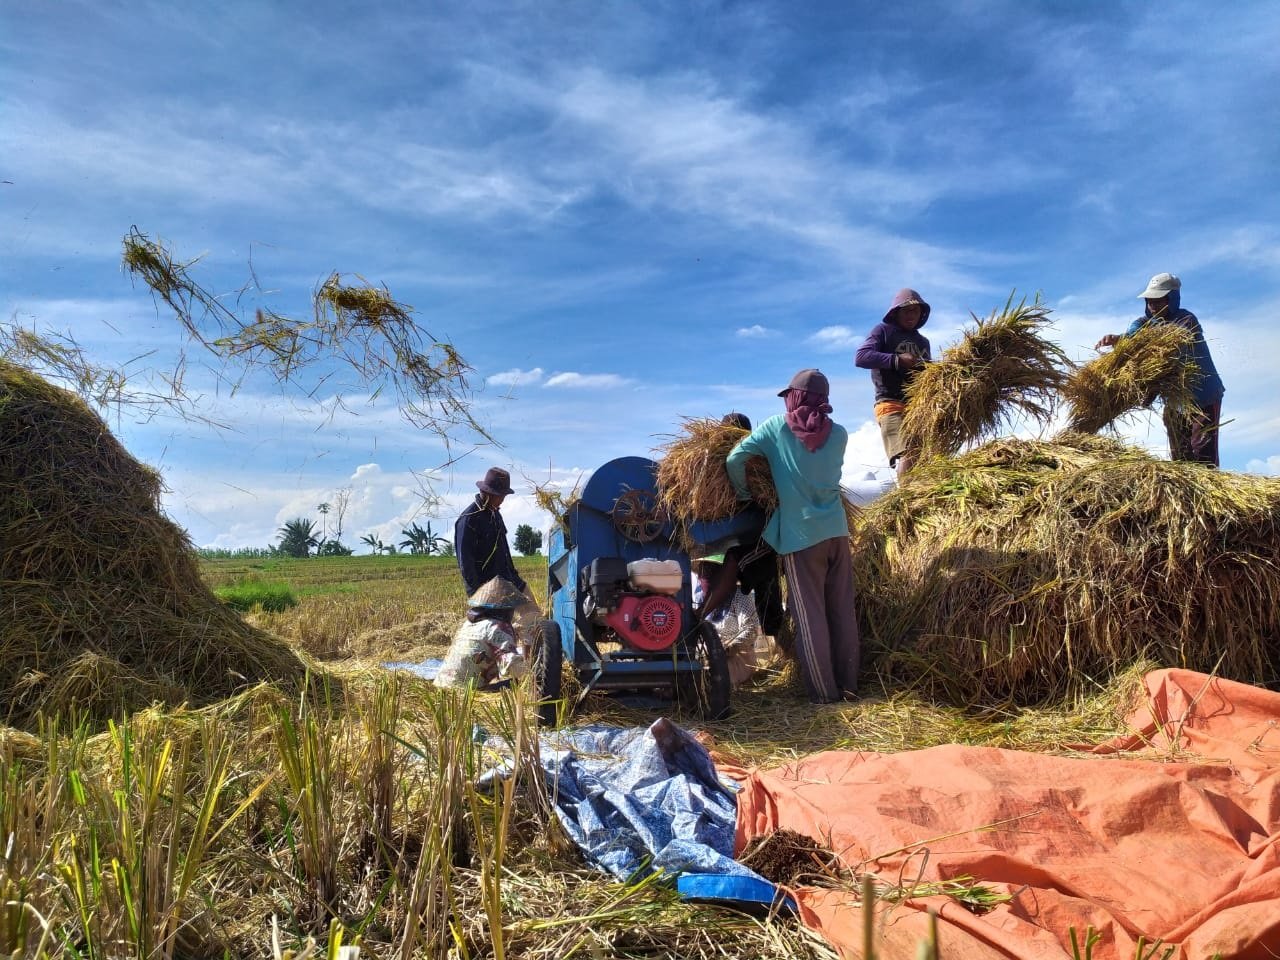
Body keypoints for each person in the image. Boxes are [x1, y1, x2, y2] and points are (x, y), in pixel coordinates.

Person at [725, 369, 859, 703]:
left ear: (794, 398)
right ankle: (850, 686)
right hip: (837, 532)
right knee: (842, 610)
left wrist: (744, 494)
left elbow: (734, 458)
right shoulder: (839, 433)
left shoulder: (776, 428)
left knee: (810, 615)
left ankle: (824, 695)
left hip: (801, 537)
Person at [1094, 273, 1225, 467]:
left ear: (1172, 299)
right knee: (1180, 456)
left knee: (1202, 452)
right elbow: (1132, 338)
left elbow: (1166, 349)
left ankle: (1210, 489)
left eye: (1158, 300)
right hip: (1175, 401)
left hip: (1202, 397)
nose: (1153, 306)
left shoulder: (1187, 320)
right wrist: (1117, 340)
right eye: (1149, 301)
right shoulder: (1142, 323)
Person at [708, 412, 787, 645]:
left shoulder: (751, 460)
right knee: (767, 592)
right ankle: (781, 646)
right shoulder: (748, 456)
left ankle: (699, 615)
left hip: (767, 534)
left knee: (763, 587)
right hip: (757, 534)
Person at [455, 467, 541, 649]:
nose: (503, 499)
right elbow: (466, 564)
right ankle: (512, 667)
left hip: (509, 581)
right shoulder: (468, 520)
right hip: (490, 589)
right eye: (501, 495)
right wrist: (478, 598)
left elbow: (504, 553)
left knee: (533, 618)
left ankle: (531, 666)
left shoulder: (495, 514)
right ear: (487, 493)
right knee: (500, 634)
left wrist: (517, 581)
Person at [855, 288, 933, 479]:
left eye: (915, 311)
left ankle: (920, 494)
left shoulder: (923, 342)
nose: (911, 315)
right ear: (896, 312)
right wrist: (896, 360)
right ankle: (906, 498)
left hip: (917, 405)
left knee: (924, 456)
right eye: (906, 310)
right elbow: (861, 357)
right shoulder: (883, 331)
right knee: (909, 451)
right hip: (890, 403)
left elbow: (928, 373)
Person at [434, 577, 528, 690]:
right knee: (519, 683)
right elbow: (511, 665)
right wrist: (533, 672)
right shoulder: (499, 627)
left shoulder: (469, 624)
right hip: (466, 692)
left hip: (442, 685)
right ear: (507, 610)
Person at [692, 554, 762, 687]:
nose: (705, 577)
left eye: (711, 571)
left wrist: (729, 648)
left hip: (737, 658)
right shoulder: (699, 600)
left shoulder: (740, 595)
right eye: (703, 573)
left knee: (718, 679)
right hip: (706, 657)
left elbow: (751, 629)